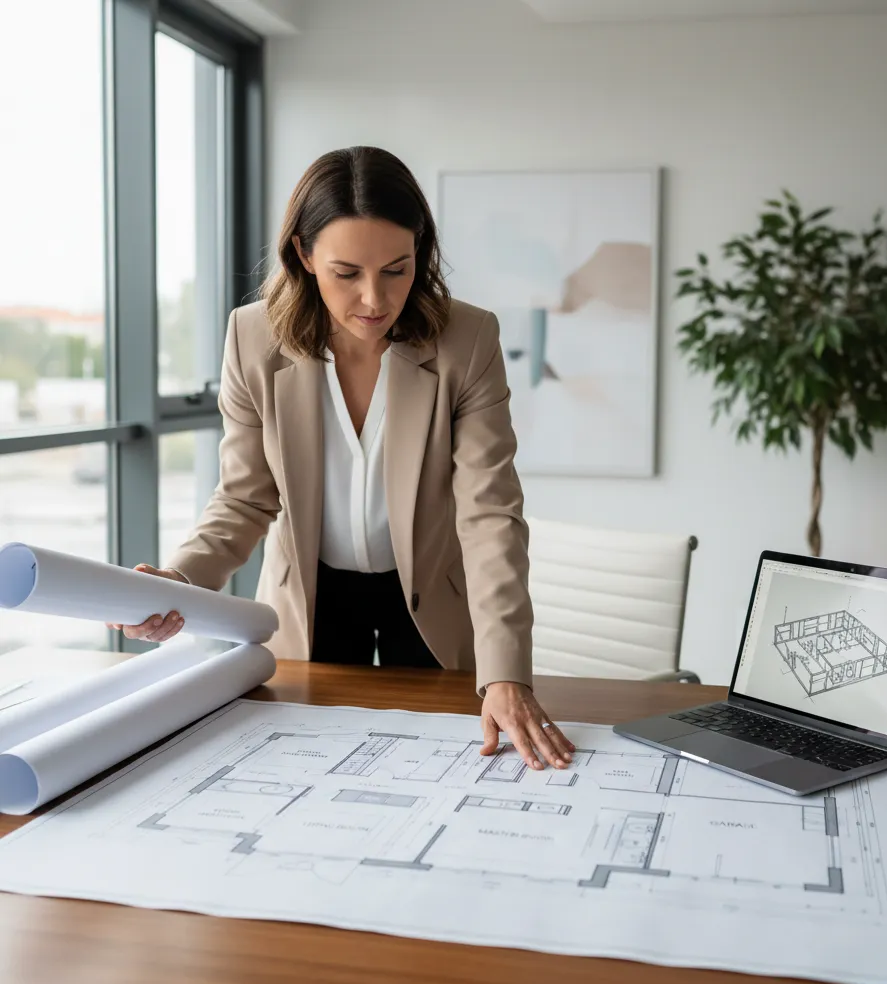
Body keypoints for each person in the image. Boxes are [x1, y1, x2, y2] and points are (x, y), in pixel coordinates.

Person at [107, 146, 573, 772]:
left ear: (422, 252)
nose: (375, 300)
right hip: (312, 597)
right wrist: (182, 583)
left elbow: (489, 514)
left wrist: (506, 673)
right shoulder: (252, 338)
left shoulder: (469, 340)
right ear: (303, 255)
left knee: (449, 773)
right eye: (347, 273)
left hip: (431, 600)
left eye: (398, 270)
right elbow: (245, 496)